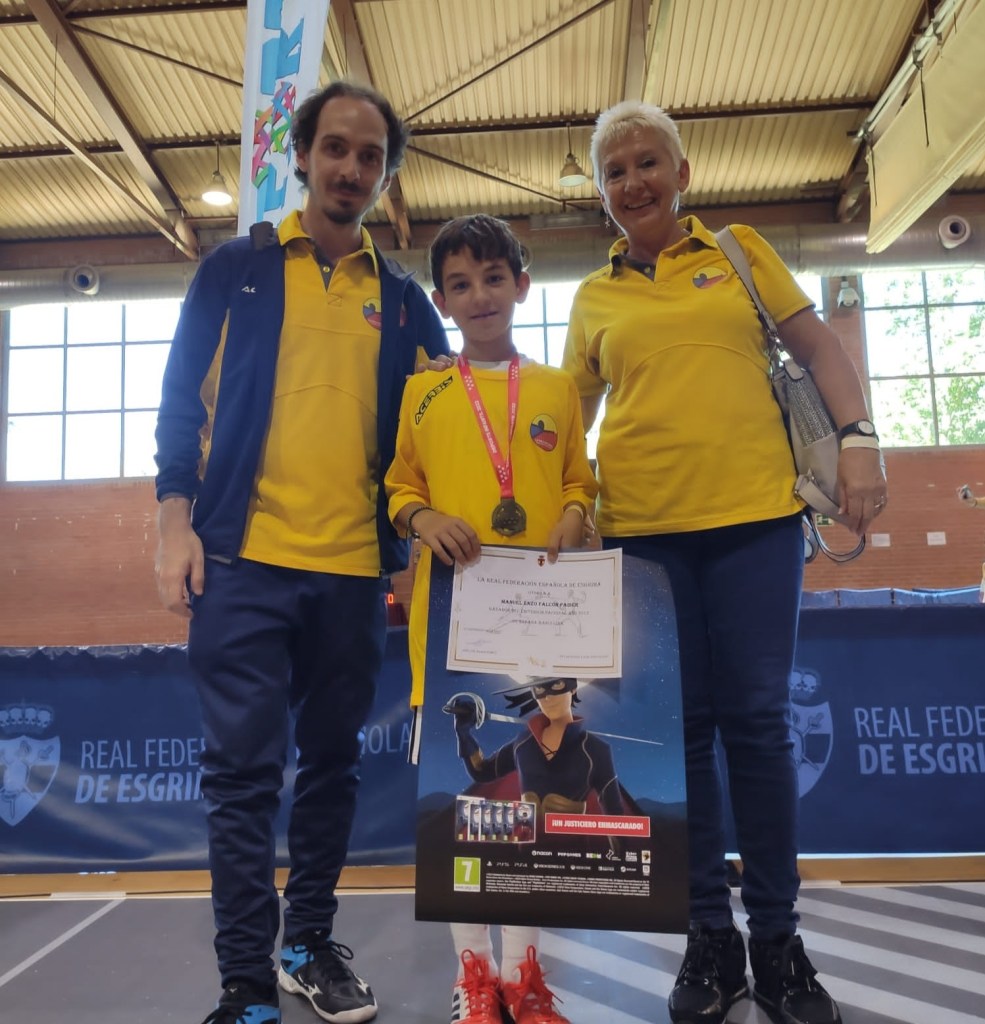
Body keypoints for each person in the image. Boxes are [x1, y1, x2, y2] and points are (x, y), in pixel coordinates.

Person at [561, 101, 889, 1024]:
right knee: (681, 740)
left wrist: (860, 442)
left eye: (647, 162)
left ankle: (778, 940)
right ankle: (709, 935)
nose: (632, 181)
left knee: (757, 726)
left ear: (682, 171)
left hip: (754, 526)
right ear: (601, 192)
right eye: (614, 171)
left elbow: (817, 347)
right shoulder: (591, 298)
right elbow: (566, 420)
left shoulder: (738, 251)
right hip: (642, 539)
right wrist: (565, 504)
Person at [153, 80, 450, 1024]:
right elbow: (178, 407)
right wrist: (172, 524)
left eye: (370, 157)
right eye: (336, 149)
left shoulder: (403, 302)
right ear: (303, 155)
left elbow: (444, 429)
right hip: (241, 565)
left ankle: (306, 946)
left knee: (331, 770)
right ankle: (245, 985)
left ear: (384, 177)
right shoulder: (233, 270)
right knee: (240, 780)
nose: (351, 169)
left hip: (353, 576)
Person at [384, 214, 598, 1024]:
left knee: (530, 815)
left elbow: (578, 479)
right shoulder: (424, 391)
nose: (479, 296)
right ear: (440, 300)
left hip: (542, 623)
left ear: (521, 286)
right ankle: (472, 976)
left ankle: (523, 975)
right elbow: (397, 488)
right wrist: (422, 519)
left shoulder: (555, 390)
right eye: (460, 284)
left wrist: (574, 513)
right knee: (463, 813)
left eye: (493, 278)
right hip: (453, 627)